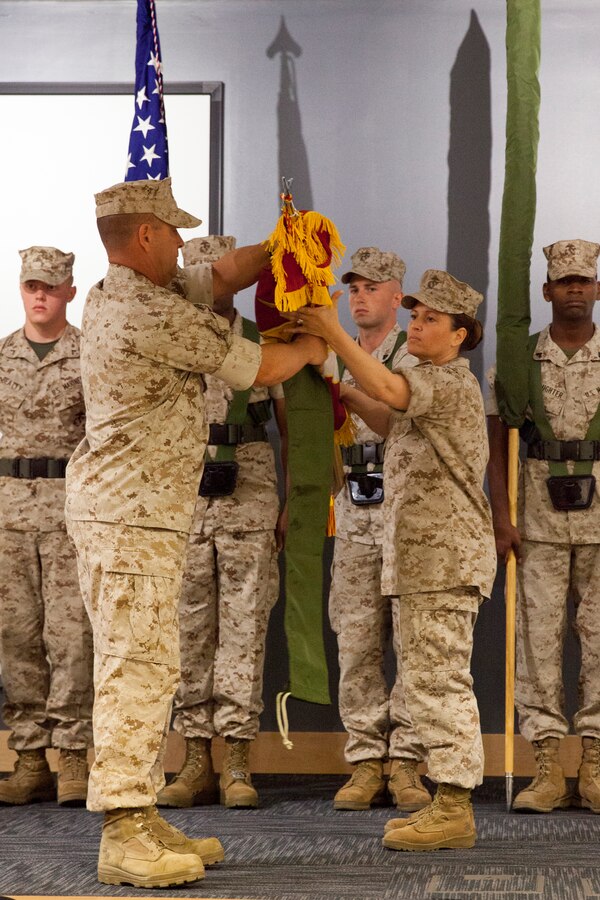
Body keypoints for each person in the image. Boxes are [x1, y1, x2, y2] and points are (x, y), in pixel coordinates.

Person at [64, 177, 327, 889]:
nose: (183, 243)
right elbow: (261, 365)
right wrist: (310, 348)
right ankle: (122, 830)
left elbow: (219, 275)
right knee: (133, 669)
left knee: (152, 666)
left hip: (140, 516)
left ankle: (140, 813)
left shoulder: (128, 292)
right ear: (145, 235)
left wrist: (283, 244)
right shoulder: (144, 313)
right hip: (127, 518)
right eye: (173, 232)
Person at [288, 269, 496, 851]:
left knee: (439, 681)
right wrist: (345, 390)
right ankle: (447, 802)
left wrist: (332, 330)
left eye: (432, 319)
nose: (418, 326)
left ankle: (453, 805)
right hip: (422, 559)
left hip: (442, 559)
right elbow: (390, 418)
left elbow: (392, 394)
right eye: (416, 316)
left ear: (461, 335)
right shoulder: (427, 377)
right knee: (430, 677)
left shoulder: (449, 380)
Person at [157, 235, 287, 811]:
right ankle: (192, 761)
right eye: (198, 275)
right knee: (187, 636)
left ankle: (236, 761)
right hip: (182, 506)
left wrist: (294, 503)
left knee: (243, 632)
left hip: (251, 501)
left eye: (218, 276)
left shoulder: (262, 343)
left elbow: (296, 426)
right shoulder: (168, 340)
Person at [486, 238, 600, 814]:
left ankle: (597, 764)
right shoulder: (518, 361)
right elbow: (498, 443)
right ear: (548, 291)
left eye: (585, 280)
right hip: (537, 523)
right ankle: (549, 767)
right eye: (565, 281)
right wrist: (501, 517)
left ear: (597, 288)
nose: (575, 289)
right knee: (536, 644)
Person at [327, 247, 430, 813]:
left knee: (412, 642)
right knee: (357, 639)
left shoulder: (414, 353)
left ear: (397, 297)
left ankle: (408, 763)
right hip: (354, 511)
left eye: (374, 287)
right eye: (355, 287)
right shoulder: (329, 357)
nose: (362, 296)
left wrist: (349, 392)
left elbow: (398, 419)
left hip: (406, 515)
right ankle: (367, 761)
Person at [0, 246, 93, 807]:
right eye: (31, 285)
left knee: (71, 636)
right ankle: (30, 755)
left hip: (66, 512)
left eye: (49, 286)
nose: (39, 294)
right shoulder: (2, 355)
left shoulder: (89, 353)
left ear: (69, 291)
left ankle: (75, 753)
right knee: (16, 637)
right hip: (8, 512)